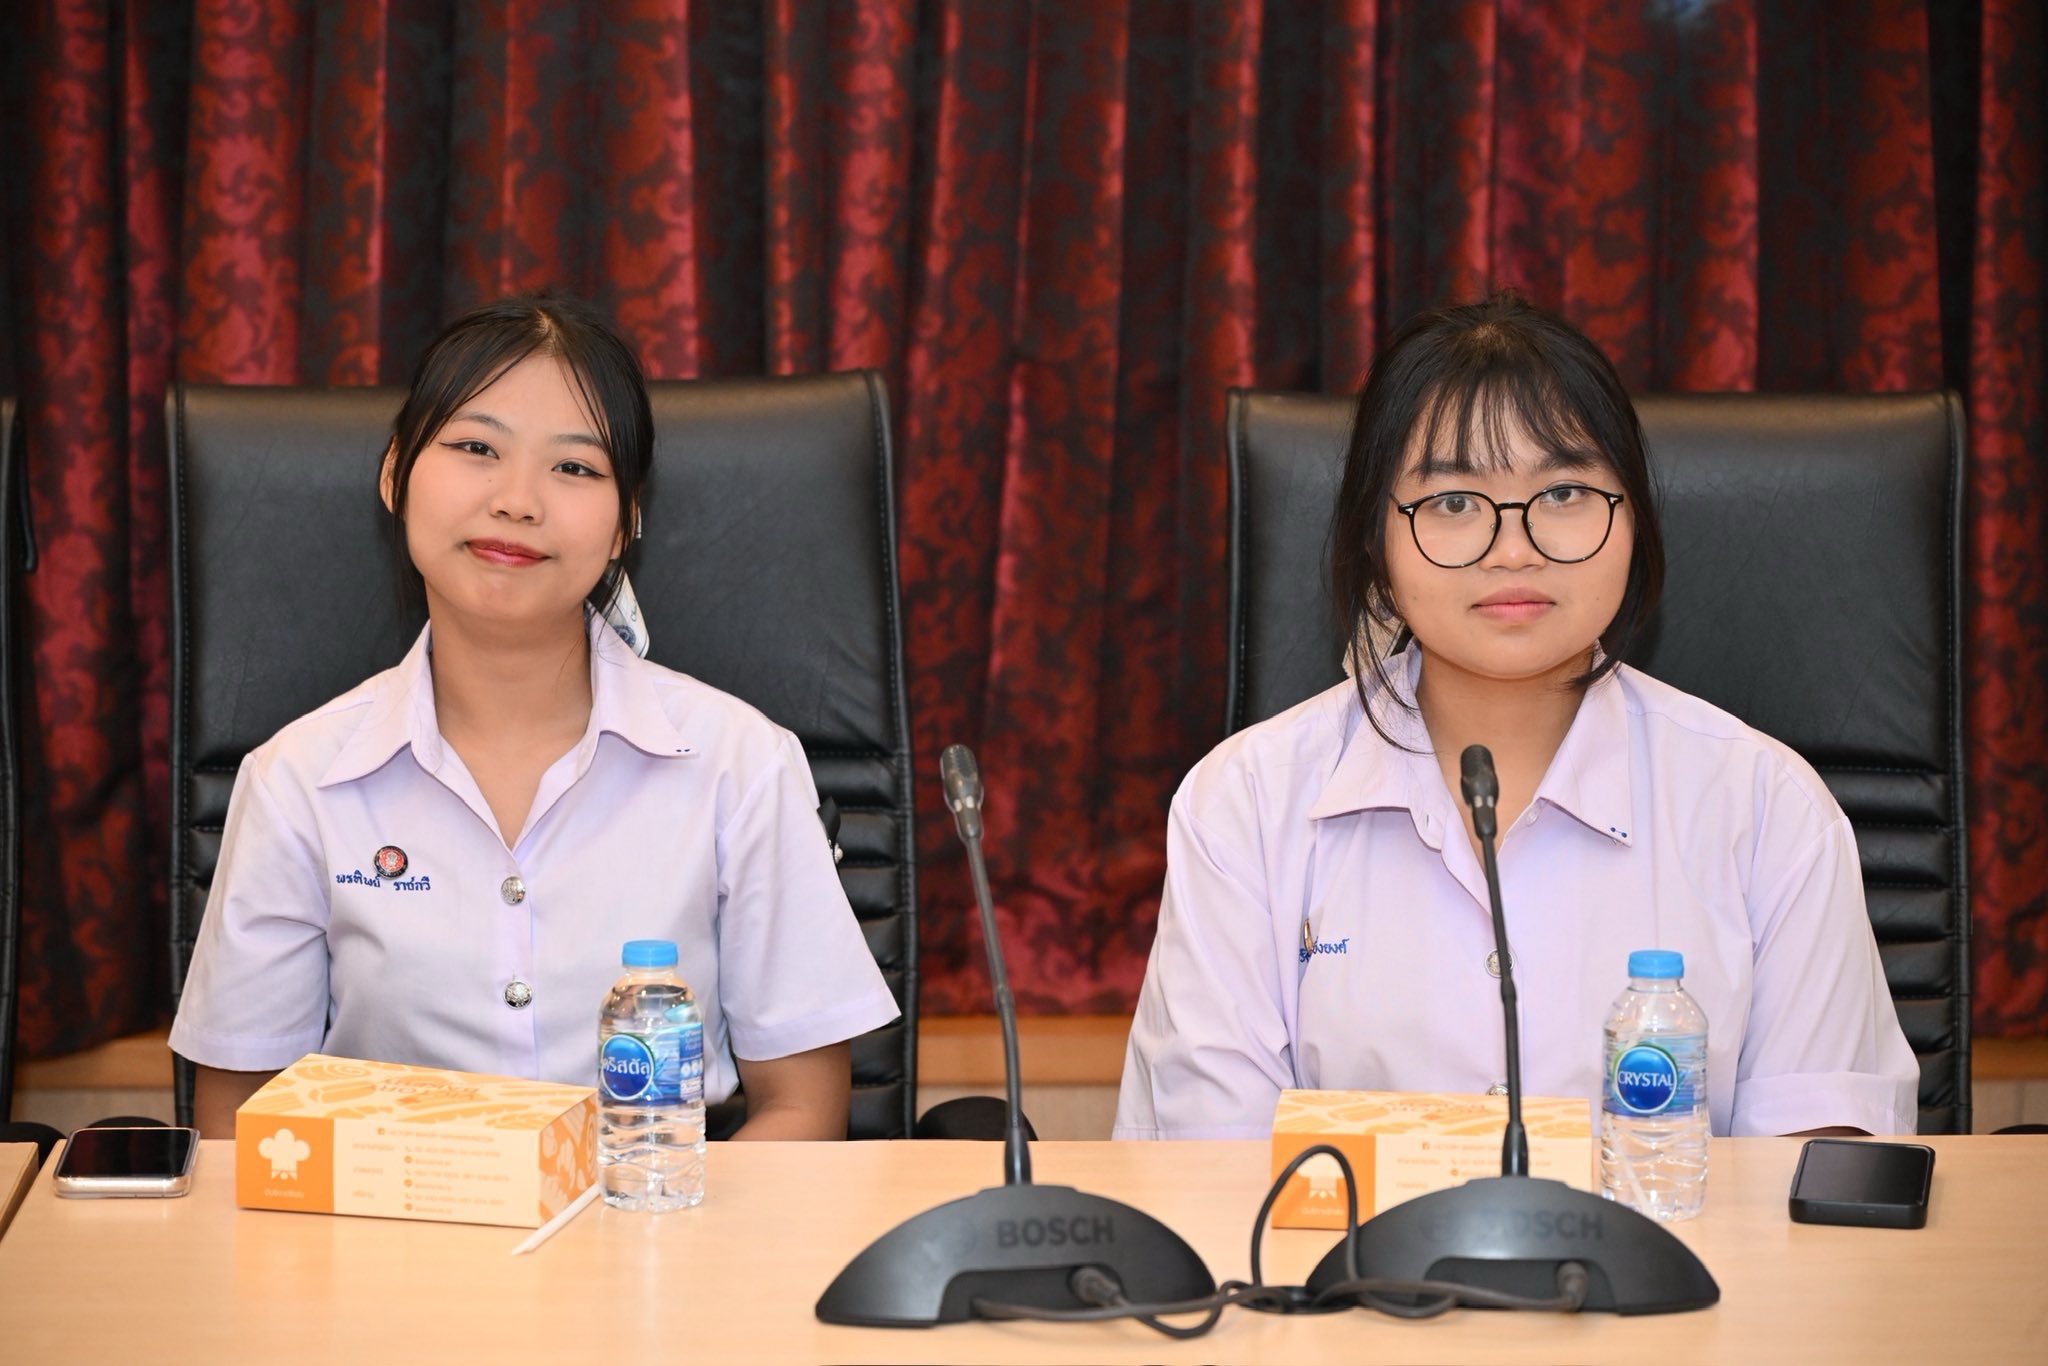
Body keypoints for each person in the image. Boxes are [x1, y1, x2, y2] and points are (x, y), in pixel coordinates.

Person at [1114, 292, 1917, 1140]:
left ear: (1634, 520)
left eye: (1564, 491)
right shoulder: (1243, 806)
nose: (1514, 546)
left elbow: (1822, 1164)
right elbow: (1209, 1167)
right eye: (1454, 502)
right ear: (1374, 541)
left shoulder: (1767, 808)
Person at [169, 293, 898, 1140]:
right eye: (476, 448)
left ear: (626, 521)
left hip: (662, 1216)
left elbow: (803, 1109)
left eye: (575, 468)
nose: (517, 501)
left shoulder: (739, 763)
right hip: (375, 1224)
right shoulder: (297, 780)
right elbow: (242, 1126)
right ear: (395, 474)